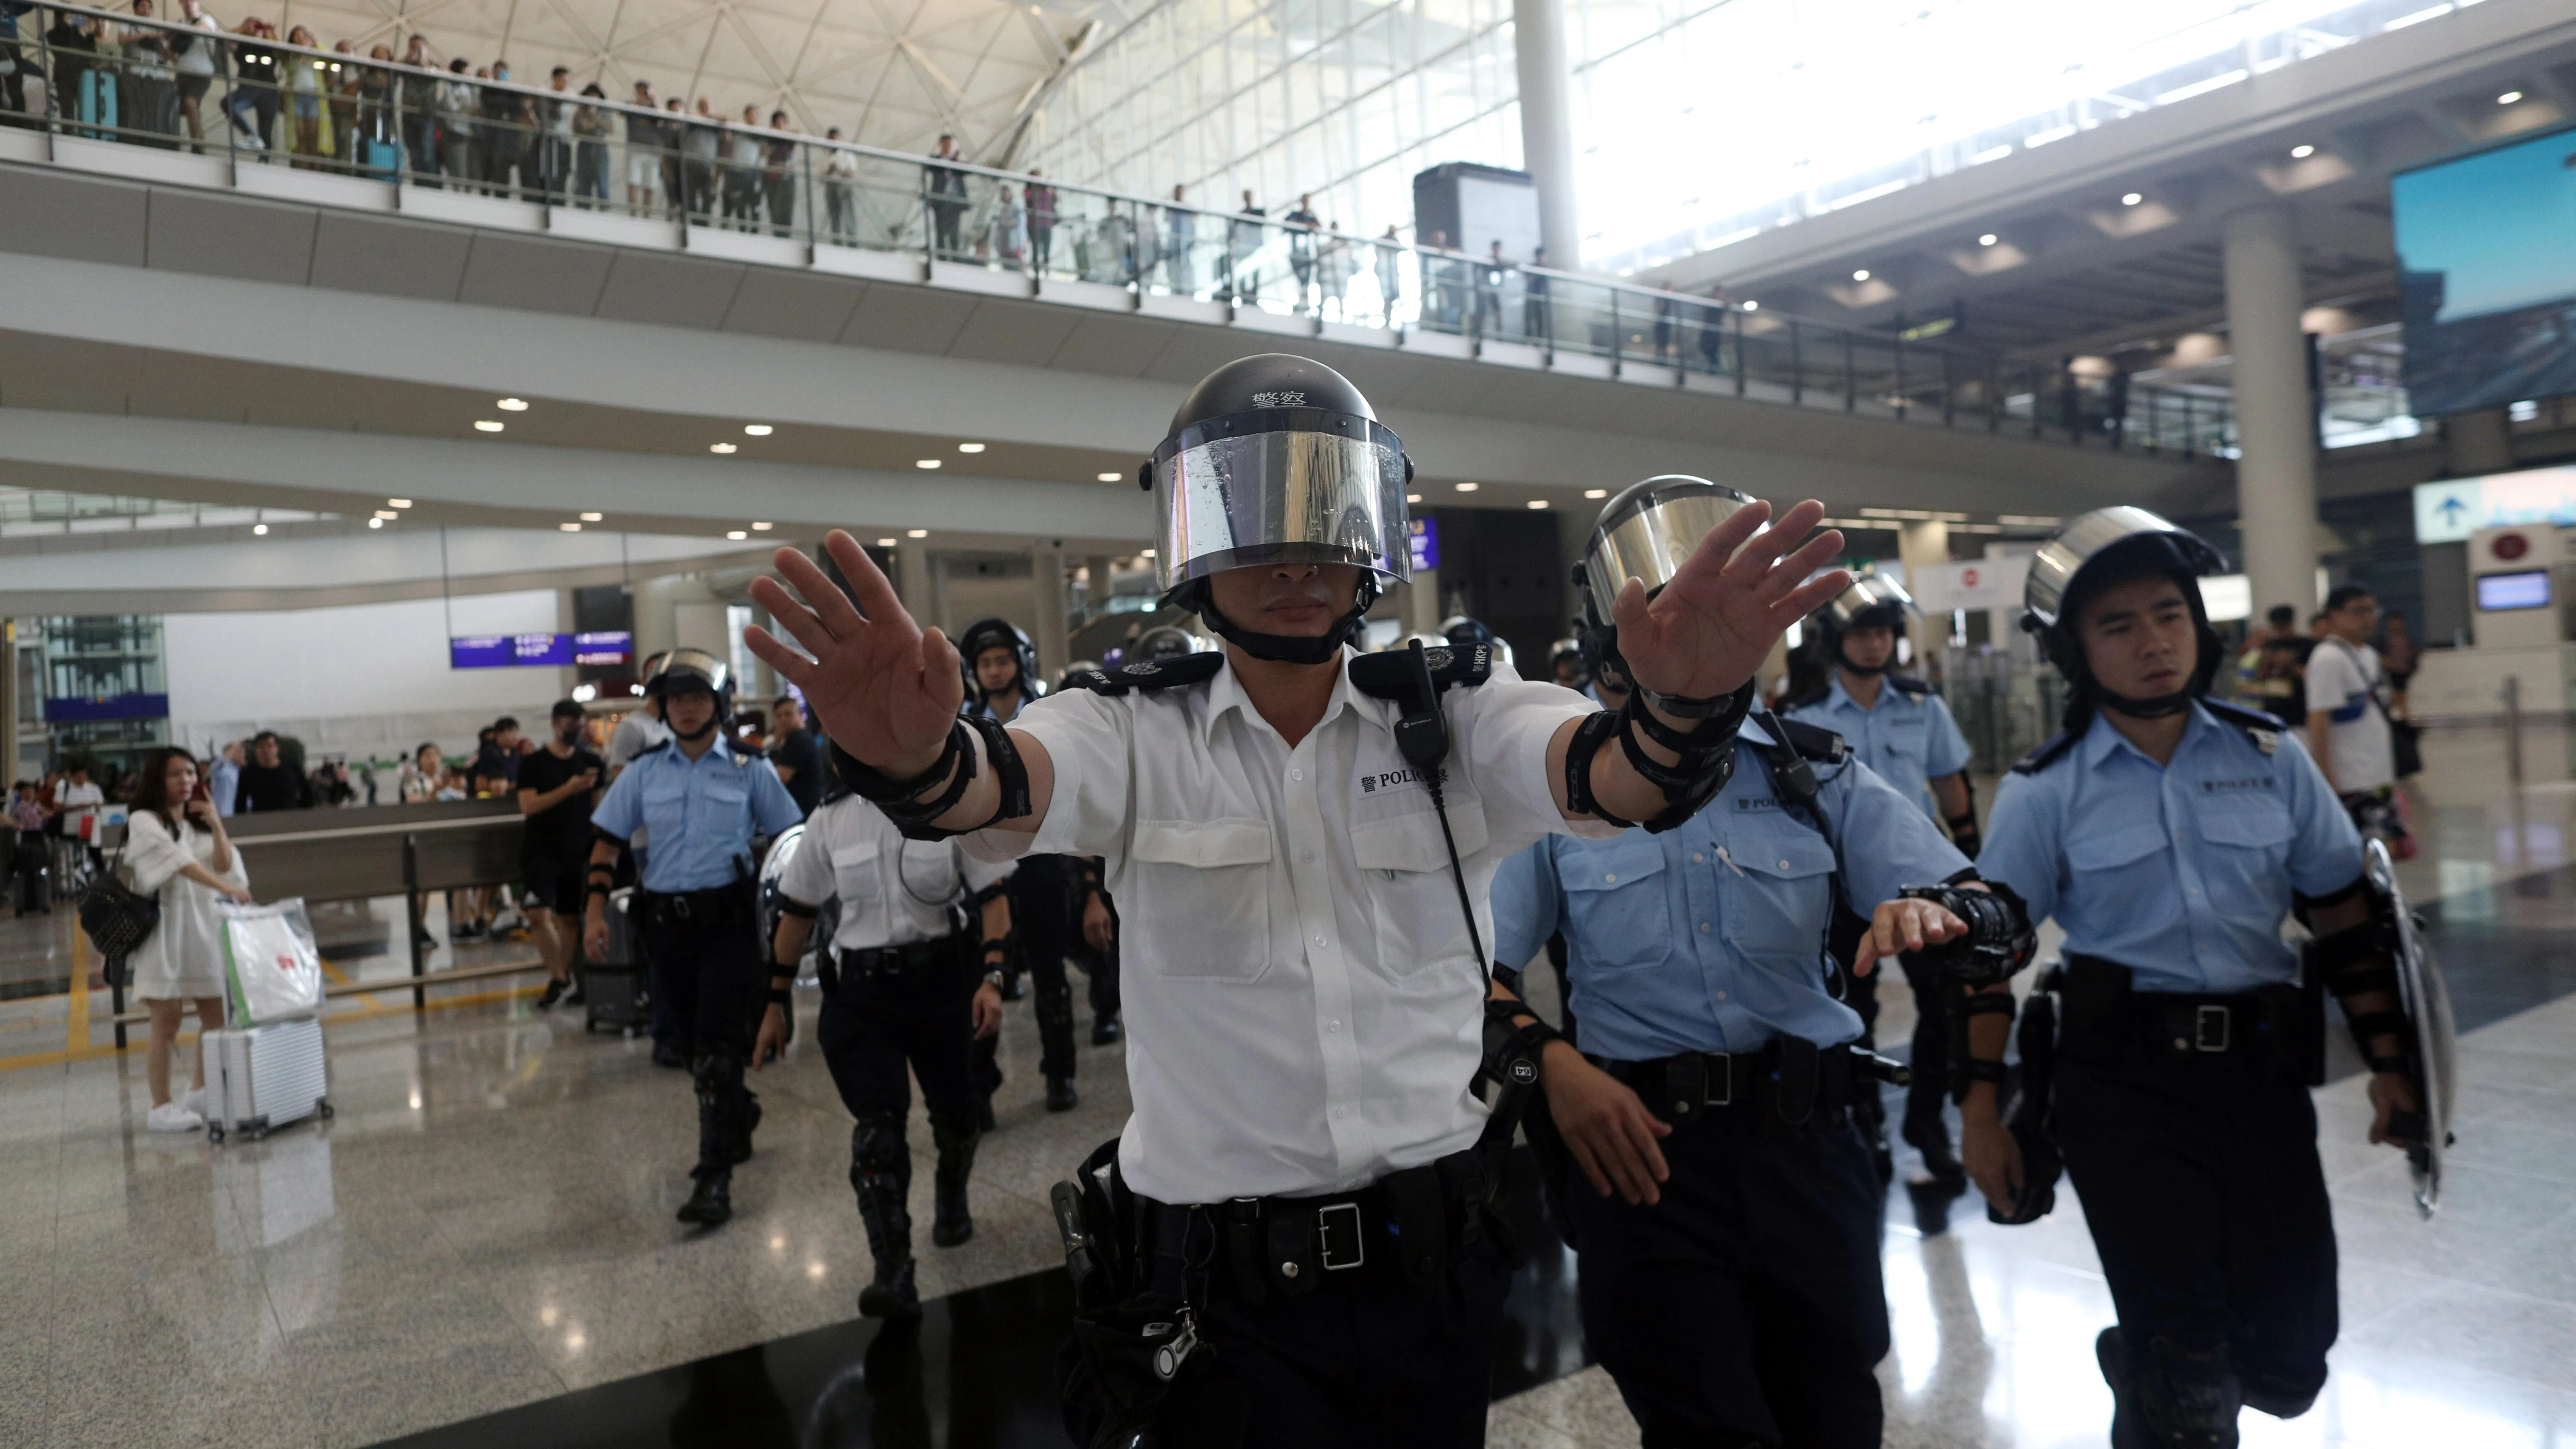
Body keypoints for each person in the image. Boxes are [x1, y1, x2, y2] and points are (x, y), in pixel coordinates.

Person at [743, 353, 1852, 1447]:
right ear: (1187, 540)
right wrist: (916, 762)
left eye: (1326, 512)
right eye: (1248, 517)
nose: (1295, 559)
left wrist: (1685, 708)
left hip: (1436, 1276)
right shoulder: (1131, 727)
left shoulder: (1458, 710)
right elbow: (999, 782)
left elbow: (1607, 775)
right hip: (1224, 1310)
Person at [1490, 479, 2022, 1449]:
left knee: (1835, 1415)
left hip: (1808, 1146)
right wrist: (1552, 1074)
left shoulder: (1811, 770)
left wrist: (1937, 912)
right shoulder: (1559, 792)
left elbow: (1996, 916)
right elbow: (1461, 983)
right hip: (1644, 1161)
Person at [1966, 507, 2424, 1449]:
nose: (2153, 643)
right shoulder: (2044, 790)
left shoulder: (2270, 758)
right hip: (2121, 1090)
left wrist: (2394, 1063)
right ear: (2074, 651)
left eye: (2170, 615)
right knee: (2191, 1364)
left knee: (2292, 1363)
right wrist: (1980, 1112)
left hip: (2260, 1078)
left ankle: (2142, 1364)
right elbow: (1986, 958)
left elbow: (2344, 914)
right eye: (2119, 625)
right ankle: (2163, 1371)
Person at [758, 779, 1012, 1318]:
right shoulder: (830, 817)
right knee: (876, 1135)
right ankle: (894, 1271)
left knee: (957, 1113)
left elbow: (993, 896)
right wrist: (774, 1003)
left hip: (943, 983)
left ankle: (952, 1192)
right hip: (861, 993)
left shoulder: (951, 797)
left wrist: (993, 977)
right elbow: (797, 913)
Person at [583, 650, 804, 1226]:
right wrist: (593, 914)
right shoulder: (643, 772)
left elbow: (791, 843)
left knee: (715, 1049)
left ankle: (714, 1180)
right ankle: (741, 1110)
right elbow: (606, 844)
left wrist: (794, 923)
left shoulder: (750, 768)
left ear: (719, 705)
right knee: (688, 1047)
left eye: (697, 698)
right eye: (675, 700)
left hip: (729, 925)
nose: (685, 709)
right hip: (665, 927)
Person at [1784, 573, 1981, 1184]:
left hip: (1920, 885)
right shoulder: (1803, 719)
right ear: (1834, 641)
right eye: (1863, 633)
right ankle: (1865, 1123)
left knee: (1947, 1007)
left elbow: (1951, 782)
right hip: (1841, 891)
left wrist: (1969, 862)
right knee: (1852, 1012)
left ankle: (1927, 1123)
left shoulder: (1924, 706)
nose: (1875, 645)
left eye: (1884, 634)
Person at [956, 616, 1116, 1114]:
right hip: (982, 870)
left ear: (1020, 663)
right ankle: (978, 1085)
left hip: (1045, 865)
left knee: (1050, 977)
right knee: (981, 977)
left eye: (1003, 660)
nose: (995, 671)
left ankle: (1060, 1074)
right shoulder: (963, 726)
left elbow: (1080, 801)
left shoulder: (1049, 717)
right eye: (985, 663)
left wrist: (1090, 890)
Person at [122, 748, 254, 1133]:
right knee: (167, 1020)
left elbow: (226, 863)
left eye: (192, 774)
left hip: (204, 926)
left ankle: (199, 1091)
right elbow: (179, 864)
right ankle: (160, 1107)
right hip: (166, 928)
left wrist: (217, 826)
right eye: (176, 775)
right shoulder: (143, 821)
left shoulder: (197, 821)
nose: (187, 782)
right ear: (157, 780)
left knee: (216, 1014)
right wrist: (224, 888)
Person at [519, 700, 605, 1010]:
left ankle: (561, 979)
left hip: (577, 848)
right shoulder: (534, 763)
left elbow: (596, 806)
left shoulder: (591, 761)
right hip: (541, 850)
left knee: (570, 919)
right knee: (537, 914)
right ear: (556, 724)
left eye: (580, 726)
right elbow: (529, 806)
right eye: (570, 725)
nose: (575, 731)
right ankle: (560, 976)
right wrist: (568, 790)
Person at [2305, 583, 2402, 842]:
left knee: (2382, 852)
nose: (2368, 618)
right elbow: (2319, 721)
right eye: (2359, 611)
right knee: (2359, 856)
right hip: (2350, 780)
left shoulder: (2368, 654)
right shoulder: (2328, 659)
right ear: (2335, 616)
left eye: (2372, 611)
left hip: (2377, 775)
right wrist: (2327, 782)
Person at [767, 694, 823, 816]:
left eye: (788, 714)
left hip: (803, 815)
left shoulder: (799, 740)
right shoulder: (791, 741)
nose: (783, 720)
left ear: (800, 715)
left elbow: (779, 778)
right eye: (778, 716)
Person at [924, 132, 967, 258]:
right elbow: (928, 167)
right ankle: (941, 257)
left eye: (952, 145)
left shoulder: (958, 162)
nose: (949, 148)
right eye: (947, 145)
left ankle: (955, 258)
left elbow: (968, 172)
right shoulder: (936, 161)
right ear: (941, 145)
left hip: (955, 203)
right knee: (941, 232)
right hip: (941, 202)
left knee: (955, 233)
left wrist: (960, 162)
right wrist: (943, 159)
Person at [621, 78, 661, 213]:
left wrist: (654, 100)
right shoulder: (631, 105)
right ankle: (633, 212)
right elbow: (623, 112)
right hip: (635, 148)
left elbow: (664, 116)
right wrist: (640, 103)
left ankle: (647, 214)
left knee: (650, 186)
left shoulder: (655, 108)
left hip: (653, 152)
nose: (644, 92)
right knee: (634, 182)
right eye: (641, 89)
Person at [434, 56, 475, 185]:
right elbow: (452, 107)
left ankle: (462, 188)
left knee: (460, 161)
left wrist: (459, 106)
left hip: (461, 130)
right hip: (448, 127)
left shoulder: (467, 88)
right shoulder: (448, 87)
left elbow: (465, 107)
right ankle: (454, 186)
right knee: (450, 160)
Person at [570, 80, 610, 205]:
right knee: (583, 180)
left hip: (600, 147)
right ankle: (583, 206)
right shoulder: (580, 113)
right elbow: (578, 130)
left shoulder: (604, 112)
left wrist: (596, 120)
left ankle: (603, 207)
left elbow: (610, 128)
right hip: (585, 148)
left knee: (602, 180)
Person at [762, 109, 797, 235]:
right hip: (773, 179)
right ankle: (777, 233)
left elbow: (798, 134)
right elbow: (765, 154)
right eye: (778, 122)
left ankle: (785, 234)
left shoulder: (789, 141)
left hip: (787, 179)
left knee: (786, 209)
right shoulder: (770, 140)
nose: (781, 125)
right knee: (774, 208)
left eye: (783, 122)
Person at [2378, 608, 2418, 715]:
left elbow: (2412, 651)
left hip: (2404, 669)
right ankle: (2405, 714)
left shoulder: (2406, 637)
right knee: (2399, 693)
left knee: (2400, 693)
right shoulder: (2386, 638)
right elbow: (2381, 652)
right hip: (2393, 669)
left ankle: (2400, 712)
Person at [1283, 194, 1320, 309]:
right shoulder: (1296, 215)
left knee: (1306, 279)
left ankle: (1304, 302)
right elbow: (1287, 223)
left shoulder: (1310, 215)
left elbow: (1319, 226)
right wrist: (1306, 225)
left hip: (1306, 252)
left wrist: (1312, 215)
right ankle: (1300, 301)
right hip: (1296, 251)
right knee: (1299, 276)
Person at [1227, 189, 1264, 302]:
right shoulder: (1240, 216)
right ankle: (1244, 295)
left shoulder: (1259, 213)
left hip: (1255, 247)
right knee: (1243, 272)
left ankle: (1254, 294)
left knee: (1255, 273)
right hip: (1244, 248)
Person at [821, 128, 857, 243]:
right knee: (834, 214)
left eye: (836, 138)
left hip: (844, 186)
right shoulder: (825, 157)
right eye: (832, 139)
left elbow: (852, 172)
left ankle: (852, 241)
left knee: (848, 214)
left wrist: (841, 172)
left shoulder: (847, 155)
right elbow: (821, 175)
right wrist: (830, 171)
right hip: (831, 186)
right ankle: (836, 241)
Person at [1164, 184, 1196, 295]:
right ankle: (1176, 288)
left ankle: (1186, 289)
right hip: (1175, 241)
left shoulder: (1186, 207)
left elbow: (1195, 216)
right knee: (1175, 265)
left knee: (1185, 265)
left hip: (1185, 241)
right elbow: (1167, 219)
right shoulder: (1171, 207)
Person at [1471, 240, 1505, 337]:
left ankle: (1500, 335)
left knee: (1498, 312)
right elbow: (1481, 273)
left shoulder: (1501, 263)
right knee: (1483, 311)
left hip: (1496, 291)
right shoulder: (1487, 261)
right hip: (1486, 290)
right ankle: (1480, 333)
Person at [1025, 168, 1055, 270]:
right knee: (1036, 249)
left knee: (1047, 248)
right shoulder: (1029, 191)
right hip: (1035, 225)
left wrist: (1048, 184)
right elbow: (1033, 198)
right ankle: (1035, 268)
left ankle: (1047, 268)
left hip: (1046, 223)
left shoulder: (1046, 190)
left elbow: (1053, 197)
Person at [1523, 243, 1552, 342]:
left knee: (1542, 322)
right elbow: (1528, 280)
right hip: (1532, 298)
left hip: (1543, 299)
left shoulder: (1548, 270)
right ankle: (1528, 341)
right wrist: (1538, 271)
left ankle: (1541, 341)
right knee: (1530, 320)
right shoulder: (1531, 268)